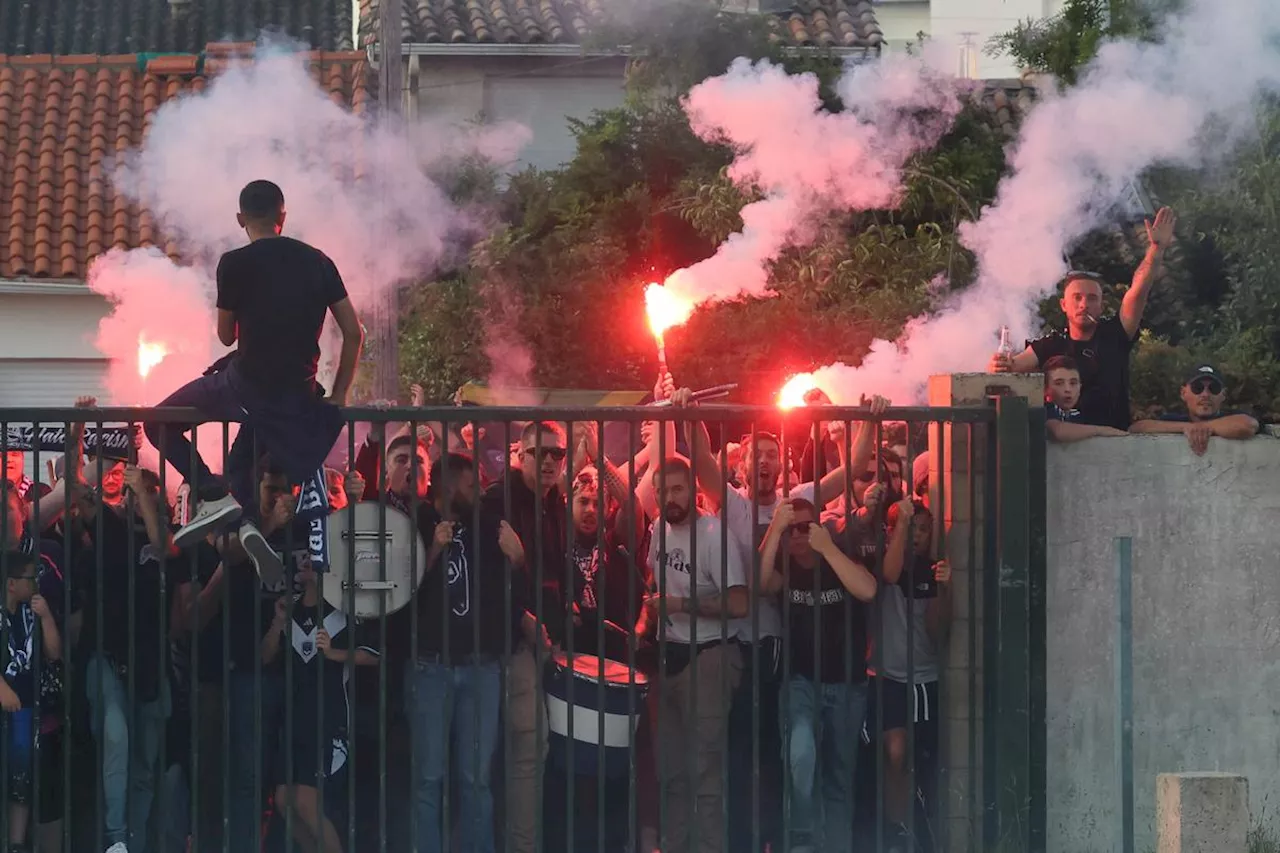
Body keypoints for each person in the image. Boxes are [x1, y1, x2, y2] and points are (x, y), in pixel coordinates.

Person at [148, 180, 363, 584]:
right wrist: (339, 393)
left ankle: (212, 495)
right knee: (244, 456)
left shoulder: (233, 263)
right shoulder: (318, 261)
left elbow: (226, 337)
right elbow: (354, 333)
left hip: (244, 386)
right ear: (283, 216)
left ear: (240, 219)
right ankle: (244, 524)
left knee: (157, 422)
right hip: (298, 394)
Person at [404, 452, 526, 853]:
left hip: (481, 668)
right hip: (430, 666)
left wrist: (519, 557)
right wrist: (433, 551)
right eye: (472, 485)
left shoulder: (486, 526)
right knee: (428, 779)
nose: (480, 490)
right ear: (449, 487)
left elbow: (517, 585)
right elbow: (400, 594)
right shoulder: (416, 522)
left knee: (476, 779)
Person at [639, 456, 748, 853]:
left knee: (704, 772)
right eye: (662, 490)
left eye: (678, 488)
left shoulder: (714, 535)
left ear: (694, 490)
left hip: (710, 657)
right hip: (667, 657)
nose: (670, 497)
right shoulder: (656, 531)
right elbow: (654, 583)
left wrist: (682, 605)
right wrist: (644, 623)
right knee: (671, 772)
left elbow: (739, 603)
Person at [758, 499, 877, 853]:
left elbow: (868, 589)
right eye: (791, 529)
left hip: (847, 685)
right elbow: (761, 585)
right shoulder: (784, 566)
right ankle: (804, 840)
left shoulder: (837, 557)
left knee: (840, 780)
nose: (798, 536)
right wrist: (774, 529)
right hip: (801, 682)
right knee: (800, 755)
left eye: (805, 527)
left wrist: (826, 547)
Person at [990, 207, 1177, 430]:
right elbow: (1008, 370)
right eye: (1077, 298)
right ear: (1064, 305)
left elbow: (1138, 292)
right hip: (1066, 444)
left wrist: (1156, 250)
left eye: (1091, 298)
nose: (1083, 304)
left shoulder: (1115, 333)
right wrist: (999, 365)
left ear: (1101, 304)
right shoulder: (1053, 343)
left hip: (1114, 443)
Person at [74, 466, 177, 853]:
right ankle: (115, 839)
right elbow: (77, 491)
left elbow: (162, 547)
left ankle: (132, 839)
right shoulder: (112, 531)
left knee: (144, 763)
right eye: (134, 492)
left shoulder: (166, 538)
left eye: (149, 492)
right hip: (108, 654)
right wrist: (76, 437)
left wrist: (144, 498)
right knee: (116, 738)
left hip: (151, 662)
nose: (137, 497)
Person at [260, 551, 379, 853]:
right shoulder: (290, 609)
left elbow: (375, 655)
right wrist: (277, 623)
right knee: (285, 801)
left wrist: (335, 654)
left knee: (306, 800)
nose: (304, 562)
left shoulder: (342, 610)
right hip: (293, 717)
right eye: (301, 558)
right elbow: (265, 656)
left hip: (328, 717)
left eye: (312, 559)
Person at [870, 498, 952, 853]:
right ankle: (896, 828)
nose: (917, 535)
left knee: (925, 759)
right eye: (909, 527)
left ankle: (922, 829)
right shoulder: (888, 564)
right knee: (896, 751)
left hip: (924, 679)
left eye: (923, 528)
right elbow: (888, 575)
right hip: (889, 677)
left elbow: (938, 632)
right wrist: (899, 527)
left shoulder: (933, 569)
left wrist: (944, 589)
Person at [0, 549, 62, 853]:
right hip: (6, 705)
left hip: (27, 706)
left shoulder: (31, 610)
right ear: (11, 583)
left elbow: (54, 653)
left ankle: (15, 842)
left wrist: (47, 615)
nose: (35, 583)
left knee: (22, 775)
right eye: (29, 578)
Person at [1129, 364, 1261, 455]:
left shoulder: (1233, 417)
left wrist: (1200, 427)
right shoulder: (1174, 420)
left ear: (1223, 395)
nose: (1205, 394)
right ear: (1183, 393)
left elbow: (1247, 425)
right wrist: (1186, 427)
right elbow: (1138, 428)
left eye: (1213, 388)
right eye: (1197, 388)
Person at [1041, 356, 1128, 443]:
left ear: (1080, 387)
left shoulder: (1084, 413)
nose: (1068, 389)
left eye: (1073, 383)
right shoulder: (1045, 410)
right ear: (1045, 389)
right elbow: (1059, 432)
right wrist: (1101, 430)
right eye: (1059, 383)